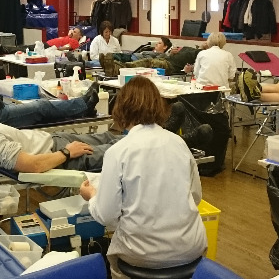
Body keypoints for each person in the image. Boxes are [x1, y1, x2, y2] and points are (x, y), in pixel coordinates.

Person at [79, 76, 207, 278]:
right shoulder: (179, 144)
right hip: (191, 246)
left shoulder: (118, 152)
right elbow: (195, 197)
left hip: (143, 255)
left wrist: (92, 196)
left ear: (121, 108)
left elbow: (106, 215)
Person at [0, 90, 212, 173]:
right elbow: (32, 166)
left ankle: (163, 131)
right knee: (123, 149)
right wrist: (66, 153)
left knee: (115, 136)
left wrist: (62, 145)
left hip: (52, 142)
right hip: (58, 157)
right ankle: (181, 140)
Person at [100, 43, 202, 77]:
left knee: (148, 62)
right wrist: (171, 53)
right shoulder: (192, 49)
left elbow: (198, 67)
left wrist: (191, 68)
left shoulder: (202, 54)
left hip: (169, 66)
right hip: (165, 59)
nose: (205, 43)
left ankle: (116, 68)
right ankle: (111, 65)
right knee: (146, 61)